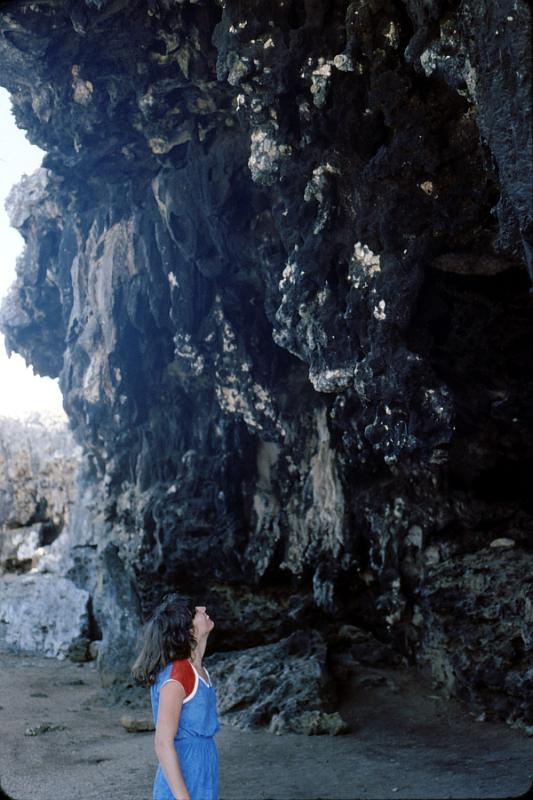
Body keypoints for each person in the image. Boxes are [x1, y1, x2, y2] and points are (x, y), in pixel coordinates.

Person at [132, 594, 219, 800]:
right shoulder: (178, 676)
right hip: (184, 769)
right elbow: (162, 742)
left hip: (203, 766)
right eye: (195, 612)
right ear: (189, 631)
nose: (202, 607)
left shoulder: (199, 670)